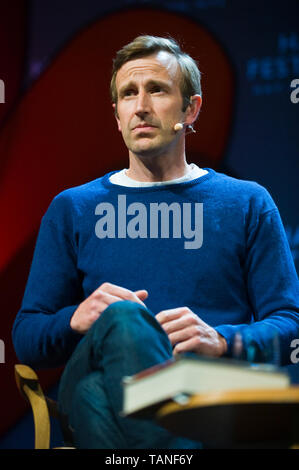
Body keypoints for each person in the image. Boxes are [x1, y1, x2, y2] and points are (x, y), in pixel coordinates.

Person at [12, 35, 299, 449]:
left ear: (191, 108)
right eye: (128, 94)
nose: (140, 106)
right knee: (125, 318)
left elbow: (289, 327)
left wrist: (222, 340)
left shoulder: (246, 202)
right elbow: (27, 336)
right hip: (136, 384)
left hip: (209, 388)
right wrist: (76, 318)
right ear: (116, 115)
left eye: (157, 90)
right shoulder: (73, 208)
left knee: (95, 396)